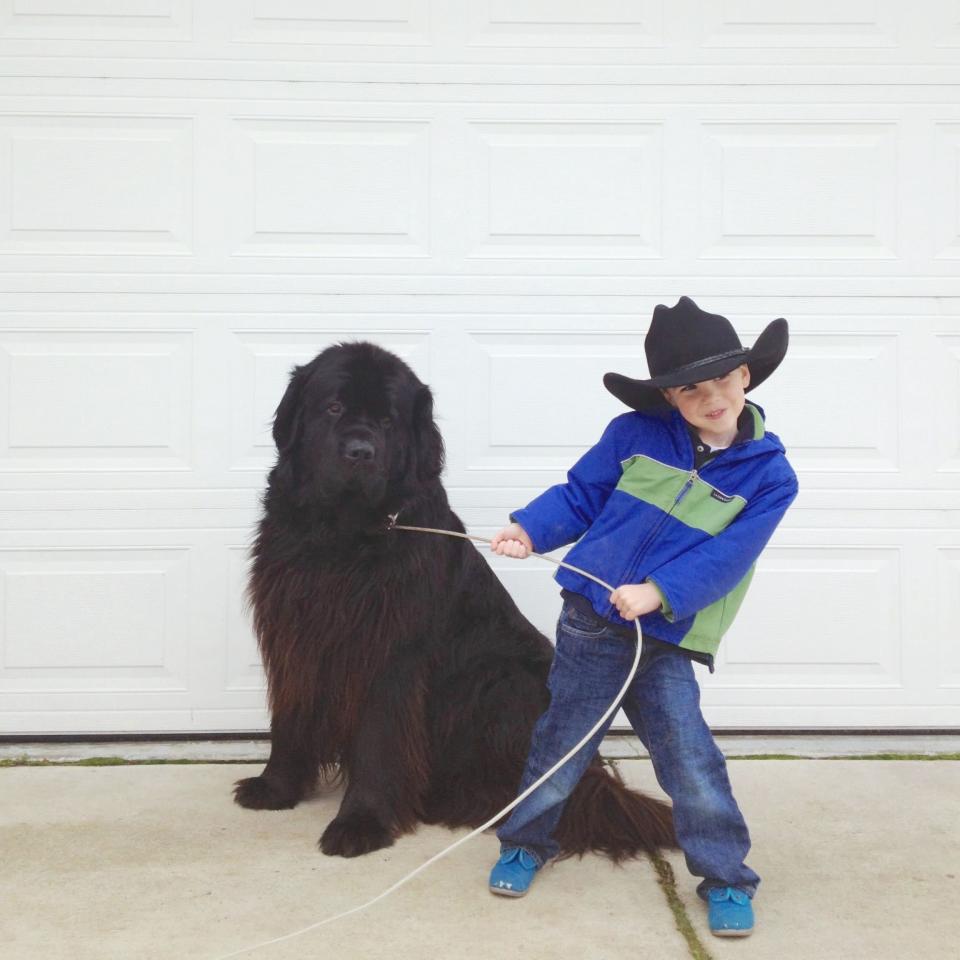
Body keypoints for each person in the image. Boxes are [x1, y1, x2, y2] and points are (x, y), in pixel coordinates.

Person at [486, 296, 798, 938]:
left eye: (721, 381)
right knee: (563, 742)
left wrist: (659, 591)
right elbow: (582, 494)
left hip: (667, 634)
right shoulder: (634, 436)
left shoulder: (770, 476)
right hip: (594, 624)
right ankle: (525, 842)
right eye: (691, 389)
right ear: (670, 397)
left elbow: (730, 555)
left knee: (689, 757)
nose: (711, 398)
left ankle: (727, 878)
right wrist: (529, 528)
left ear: (746, 377)